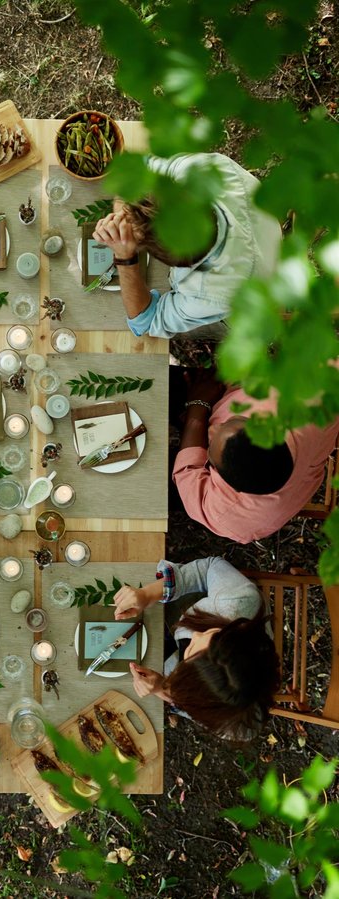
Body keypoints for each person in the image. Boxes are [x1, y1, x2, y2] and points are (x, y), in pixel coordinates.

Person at [92, 152, 282, 339]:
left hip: (258, 278)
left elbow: (146, 323)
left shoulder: (211, 296)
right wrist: (123, 216)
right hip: (265, 227)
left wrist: (125, 257)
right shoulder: (199, 170)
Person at [114, 556, 280, 741]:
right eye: (214, 634)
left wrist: (162, 688)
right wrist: (148, 594)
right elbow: (209, 568)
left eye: (191, 650)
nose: (196, 635)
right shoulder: (237, 601)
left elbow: (189, 706)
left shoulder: (237, 726)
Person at [172, 367, 339, 543]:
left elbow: (187, 472)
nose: (216, 426)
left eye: (210, 444)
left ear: (228, 485)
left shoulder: (230, 515)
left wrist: (198, 408)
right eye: (237, 420)